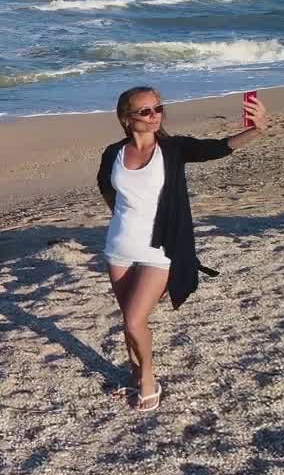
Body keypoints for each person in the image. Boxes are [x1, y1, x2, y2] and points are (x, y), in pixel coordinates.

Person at [96, 86, 268, 411]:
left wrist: (255, 131)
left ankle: (148, 381)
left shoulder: (172, 149)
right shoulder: (113, 153)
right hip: (118, 248)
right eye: (146, 111)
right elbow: (105, 186)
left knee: (135, 321)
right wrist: (120, 218)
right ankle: (135, 377)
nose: (155, 115)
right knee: (127, 321)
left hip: (159, 250)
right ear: (126, 118)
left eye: (158, 108)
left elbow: (216, 148)